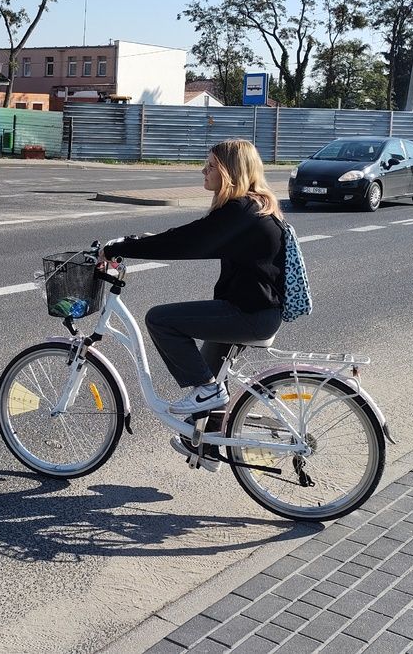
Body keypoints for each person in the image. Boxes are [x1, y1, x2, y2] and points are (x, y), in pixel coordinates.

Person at [102, 139, 286, 467]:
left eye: (212, 165)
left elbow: (190, 242)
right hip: (255, 311)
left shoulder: (242, 210)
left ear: (230, 171)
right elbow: (195, 234)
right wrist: (140, 241)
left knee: (161, 320)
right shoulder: (252, 207)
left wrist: (124, 247)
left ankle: (207, 396)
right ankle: (210, 447)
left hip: (249, 314)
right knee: (211, 374)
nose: (204, 170)